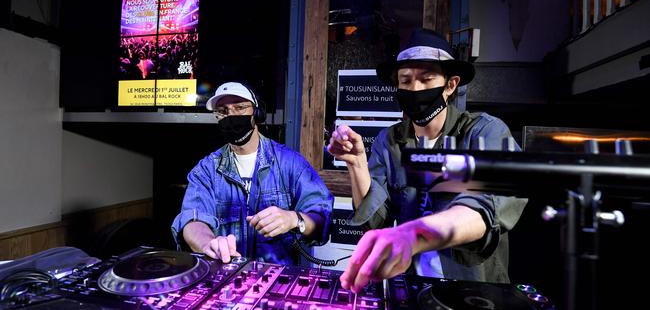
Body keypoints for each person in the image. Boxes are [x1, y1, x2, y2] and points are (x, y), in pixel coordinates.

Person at [327, 28, 527, 293]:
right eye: (406, 80)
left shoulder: (484, 132)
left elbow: (485, 209)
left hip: (473, 292)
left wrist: (413, 235)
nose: (415, 88)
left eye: (426, 79)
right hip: (416, 289)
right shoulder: (389, 141)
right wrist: (357, 164)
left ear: (450, 85)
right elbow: (374, 221)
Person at [172, 82, 334, 265]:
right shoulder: (206, 170)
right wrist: (208, 243)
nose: (231, 116)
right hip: (228, 279)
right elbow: (193, 219)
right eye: (223, 111)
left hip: (277, 282)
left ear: (257, 113)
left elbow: (322, 221)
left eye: (239, 108)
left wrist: (294, 219)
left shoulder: (291, 163)